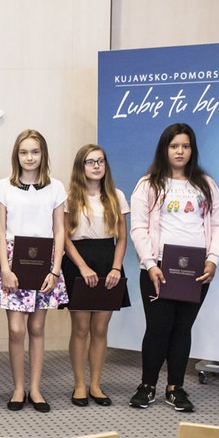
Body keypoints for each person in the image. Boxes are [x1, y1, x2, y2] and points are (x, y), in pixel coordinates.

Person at [129, 123, 219, 412]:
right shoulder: (148, 184)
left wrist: (213, 258)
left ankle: (176, 388)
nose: (180, 151)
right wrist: (150, 264)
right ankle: (147, 386)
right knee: (158, 327)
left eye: (185, 146)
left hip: (196, 270)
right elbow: (138, 228)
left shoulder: (205, 185)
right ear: (165, 149)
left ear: (192, 150)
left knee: (183, 328)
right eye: (174, 146)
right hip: (157, 269)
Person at [0, 129, 68, 413]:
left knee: (36, 327)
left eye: (35, 152)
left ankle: (35, 389)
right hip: (14, 260)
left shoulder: (56, 187)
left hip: (45, 262)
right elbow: (0, 230)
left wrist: (55, 271)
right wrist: (5, 268)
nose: (30, 157)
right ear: (17, 155)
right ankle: (18, 388)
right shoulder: (4, 186)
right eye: (24, 152)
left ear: (43, 154)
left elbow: (59, 231)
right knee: (16, 329)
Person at [62, 144, 129, 407]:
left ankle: (96, 385)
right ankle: (79, 384)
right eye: (90, 162)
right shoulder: (70, 197)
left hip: (107, 263)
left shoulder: (116, 196)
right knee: (80, 328)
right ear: (81, 166)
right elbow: (64, 239)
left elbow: (121, 239)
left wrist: (116, 267)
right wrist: (82, 267)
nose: (96, 166)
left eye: (100, 161)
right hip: (79, 263)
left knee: (100, 328)